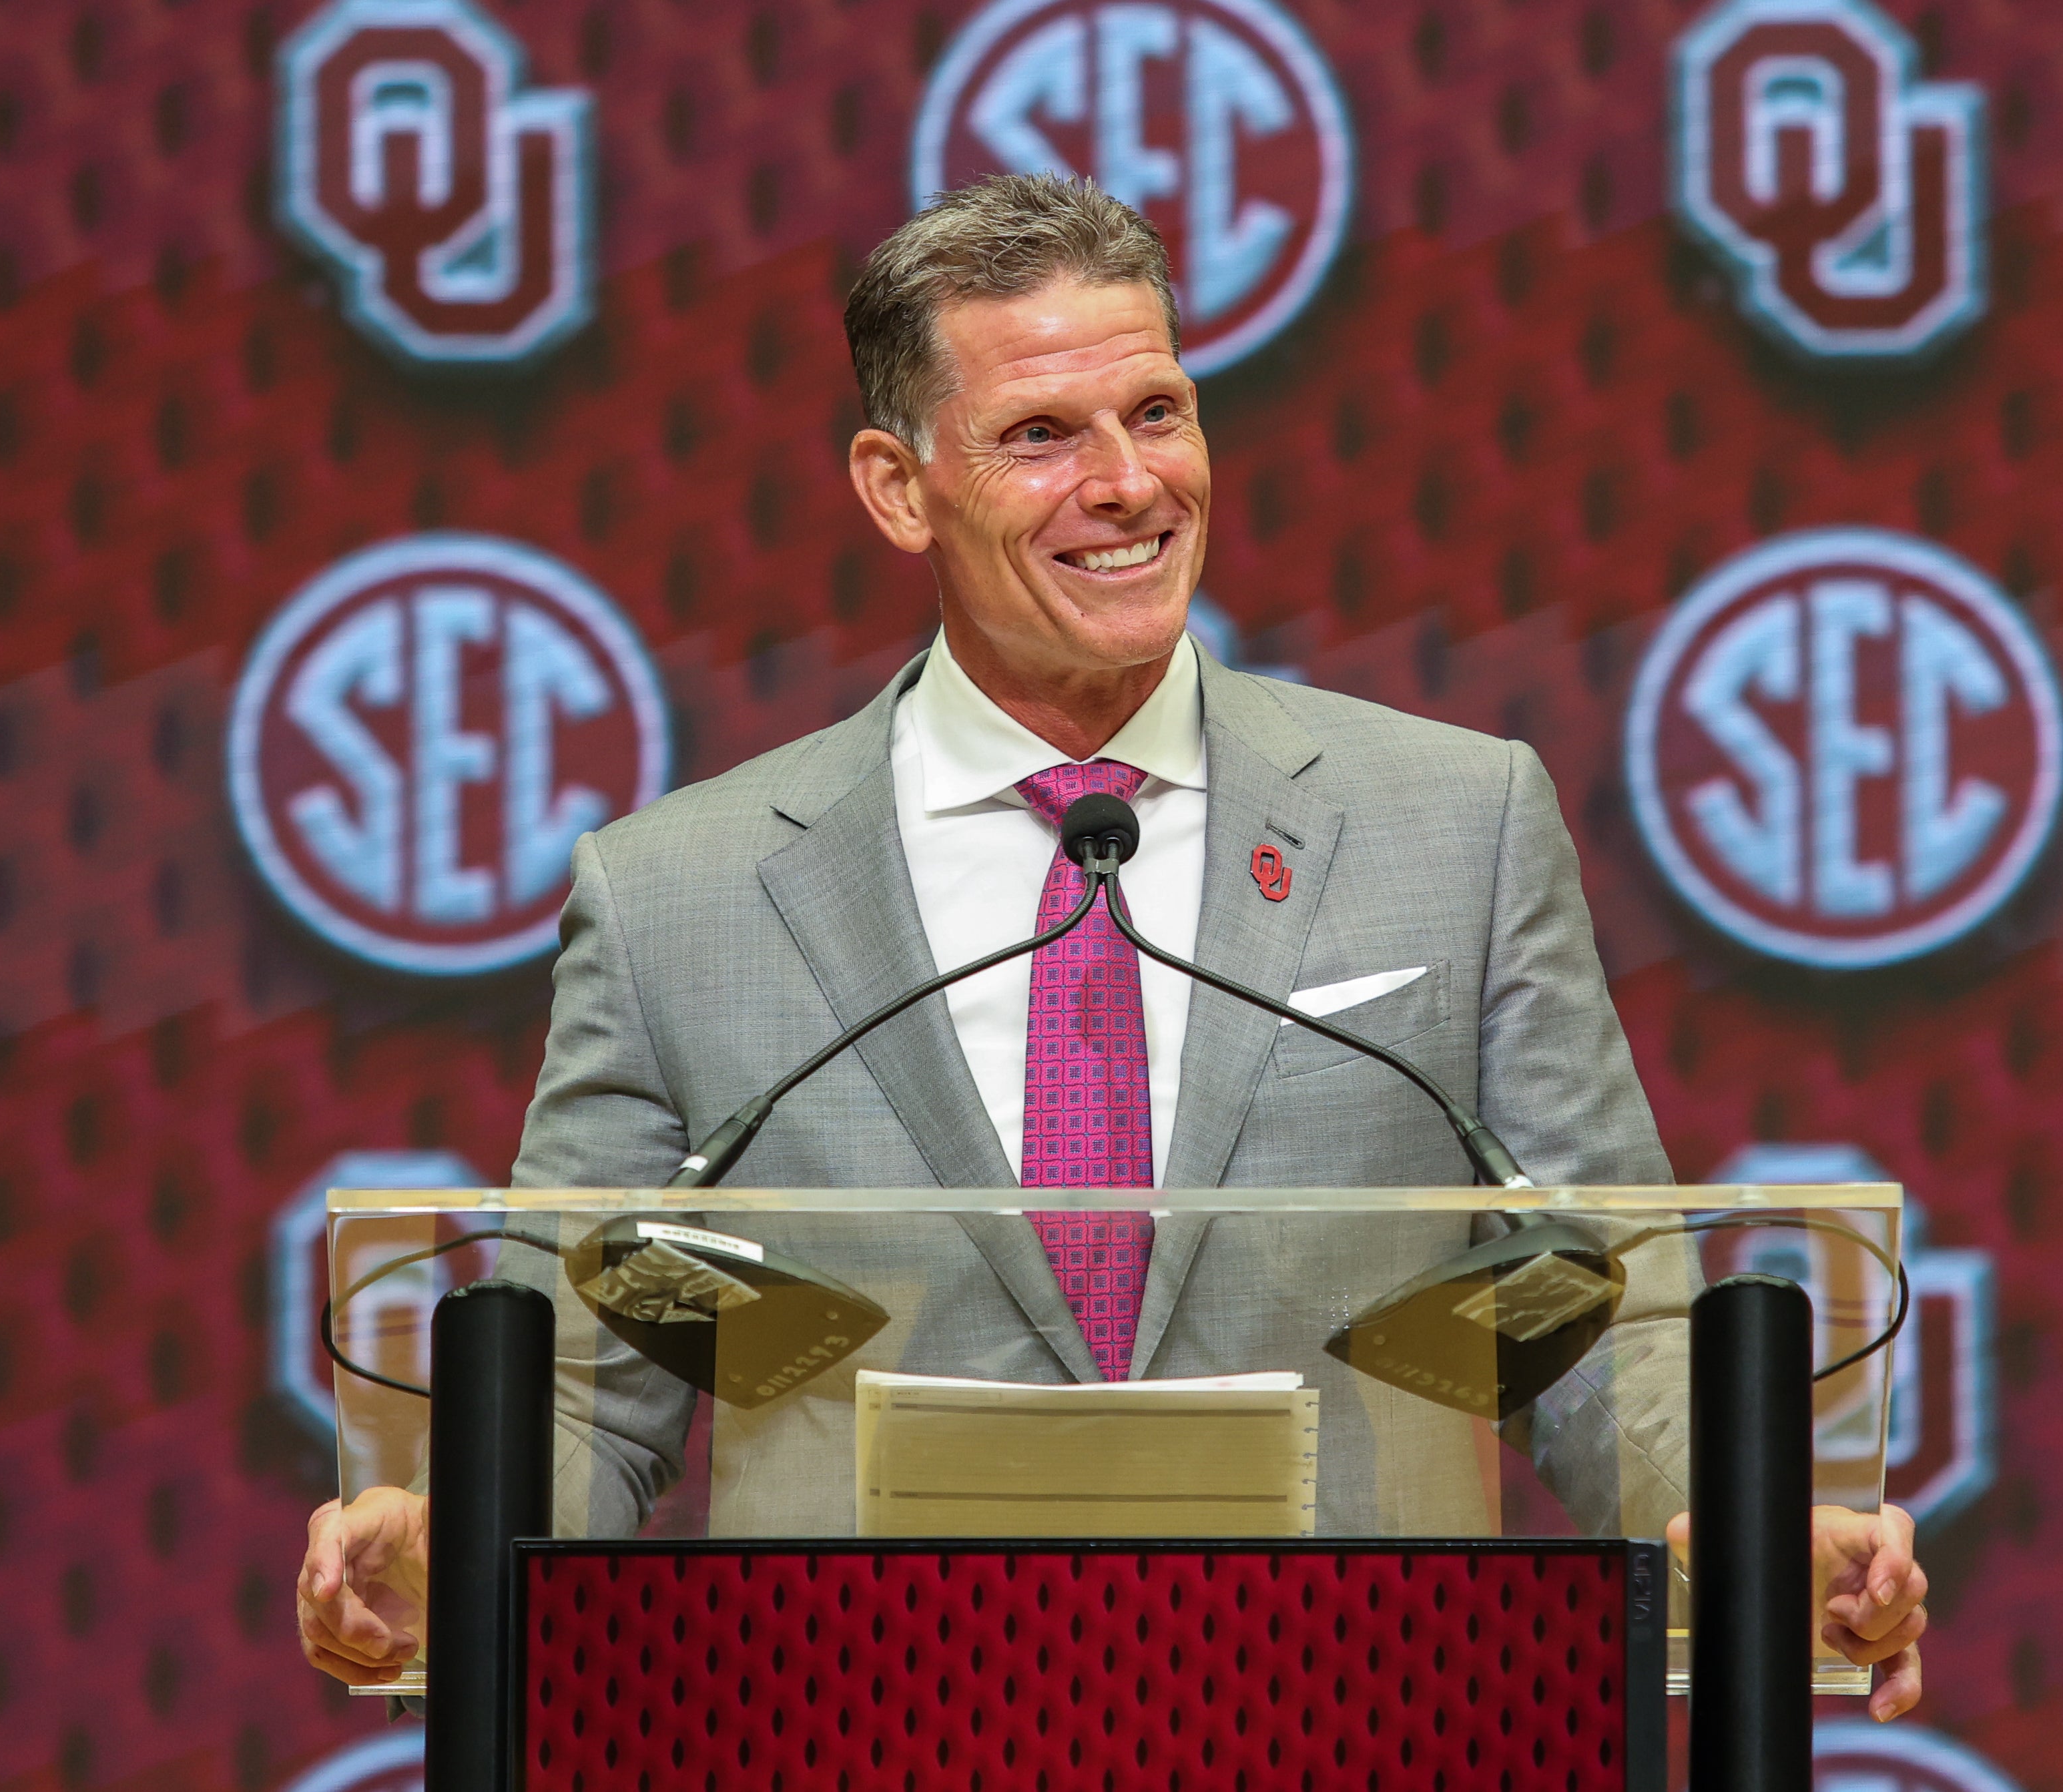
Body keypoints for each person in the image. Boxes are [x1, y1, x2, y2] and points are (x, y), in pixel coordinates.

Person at [296, 174, 1930, 1715]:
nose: (1128, 481)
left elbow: (1600, 1320)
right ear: (895, 486)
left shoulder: (1460, 820)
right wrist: (451, 1537)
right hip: (861, 1723)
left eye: (1157, 411)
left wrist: (1741, 1520)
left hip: (1359, 1714)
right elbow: (584, 1380)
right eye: (1038, 434)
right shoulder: (682, 892)